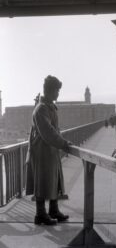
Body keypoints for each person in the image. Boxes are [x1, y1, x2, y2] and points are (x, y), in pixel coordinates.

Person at [26, 75, 71, 225]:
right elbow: (48, 132)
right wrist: (63, 143)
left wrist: (61, 142)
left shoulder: (49, 106)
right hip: (41, 152)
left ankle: (53, 210)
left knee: (53, 180)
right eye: (57, 90)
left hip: (50, 151)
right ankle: (40, 214)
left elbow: (54, 130)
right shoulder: (41, 109)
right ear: (50, 91)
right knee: (42, 181)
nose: (58, 94)